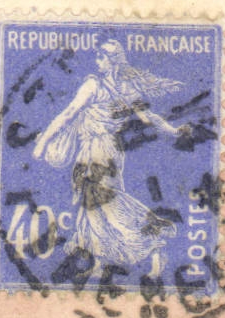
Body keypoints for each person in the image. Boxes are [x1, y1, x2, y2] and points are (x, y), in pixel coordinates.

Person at [30, 38, 187, 278]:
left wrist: (42, 143)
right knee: (92, 206)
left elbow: (69, 114)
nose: (97, 61)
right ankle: (98, 263)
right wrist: (173, 131)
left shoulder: (94, 85)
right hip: (110, 150)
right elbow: (150, 118)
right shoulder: (127, 89)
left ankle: (150, 236)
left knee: (104, 202)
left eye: (101, 57)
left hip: (98, 150)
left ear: (112, 61)